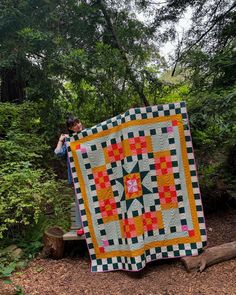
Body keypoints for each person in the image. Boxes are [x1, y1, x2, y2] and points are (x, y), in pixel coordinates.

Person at [54, 116, 84, 236]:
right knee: (79, 202)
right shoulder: (69, 141)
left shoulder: (89, 135)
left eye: (78, 122)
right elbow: (57, 153)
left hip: (91, 175)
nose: (78, 125)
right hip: (76, 177)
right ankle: (83, 227)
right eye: (74, 124)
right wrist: (61, 140)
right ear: (70, 128)